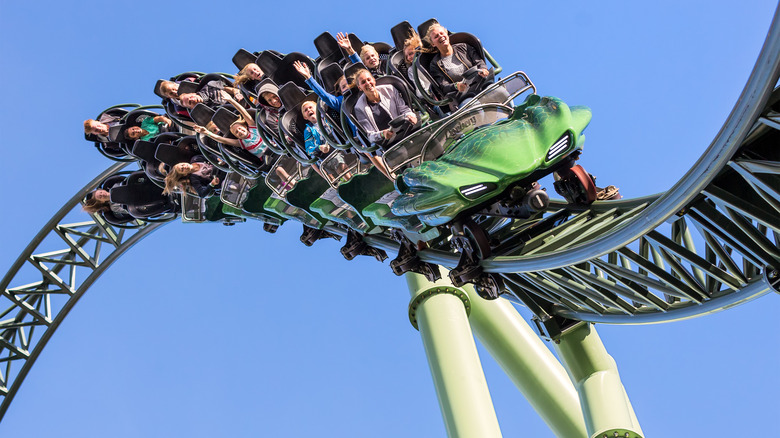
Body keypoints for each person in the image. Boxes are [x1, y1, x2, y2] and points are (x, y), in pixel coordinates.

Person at [425, 23, 489, 107]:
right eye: (436, 36)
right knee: (473, 106)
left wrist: (483, 69)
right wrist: (456, 86)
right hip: (463, 96)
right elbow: (443, 86)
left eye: (442, 33)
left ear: (446, 34)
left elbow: (479, 62)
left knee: (498, 91)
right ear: (433, 44)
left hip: (480, 84)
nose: (440, 36)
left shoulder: (464, 47)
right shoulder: (435, 64)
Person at [353, 69, 417, 145]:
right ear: (360, 87)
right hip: (389, 142)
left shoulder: (390, 89)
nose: (367, 83)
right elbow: (370, 135)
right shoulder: (359, 108)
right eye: (363, 82)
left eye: (369, 79)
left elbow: (404, 109)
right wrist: (382, 134)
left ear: (374, 80)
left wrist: (411, 116)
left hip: (405, 129)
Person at [193, 97, 266, 157]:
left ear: (245, 126)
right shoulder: (241, 142)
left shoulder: (253, 127)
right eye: (236, 132)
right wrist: (207, 133)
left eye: (239, 129)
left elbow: (243, 112)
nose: (239, 131)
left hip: (273, 146)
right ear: (235, 136)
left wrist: (230, 100)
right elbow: (222, 140)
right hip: (266, 157)